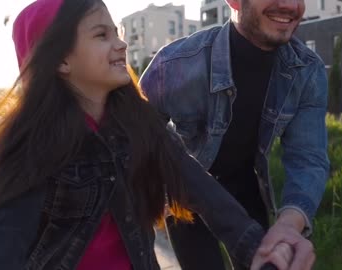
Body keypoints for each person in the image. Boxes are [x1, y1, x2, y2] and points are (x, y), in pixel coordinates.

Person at [0, 0, 294, 269]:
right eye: (101, 35)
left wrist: (260, 248)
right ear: (60, 60)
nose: (121, 44)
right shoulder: (33, 148)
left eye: (116, 32)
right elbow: (5, 247)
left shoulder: (140, 125)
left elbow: (201, 190)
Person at [140, 0, 330, 269]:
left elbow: (308, 157)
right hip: (189, 200)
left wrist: (289, 223)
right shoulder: (174, 65)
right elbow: (138, 141)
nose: (290, 5)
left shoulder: (307, 71)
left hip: (248, 193)